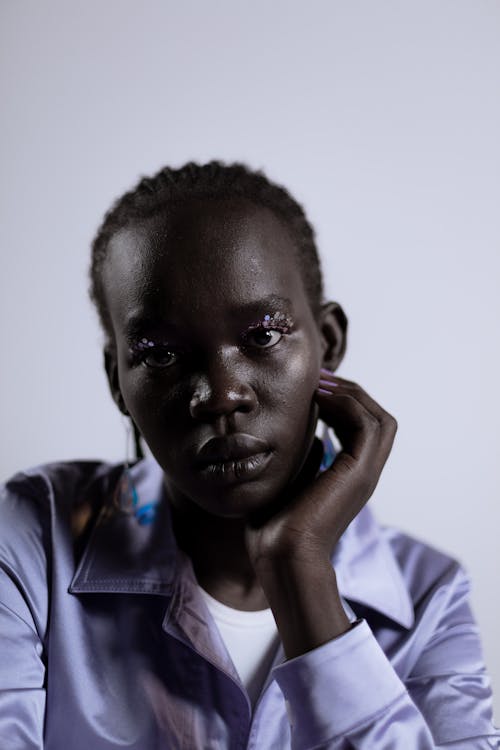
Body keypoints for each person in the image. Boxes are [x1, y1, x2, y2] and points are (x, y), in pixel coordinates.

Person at [0, 161, 498, 750]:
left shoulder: (428, 598)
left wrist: (298, 567)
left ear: (328, 342)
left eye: (262, 335)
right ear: (117, 383)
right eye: (159, 354)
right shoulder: (35, 537)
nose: (221, 394)